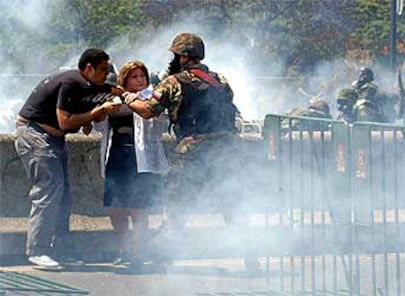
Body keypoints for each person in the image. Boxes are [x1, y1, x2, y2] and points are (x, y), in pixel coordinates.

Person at [111, 33, 257, 272]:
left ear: (183, 56)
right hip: (227, 149)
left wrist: (125, 96)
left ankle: (164, 259)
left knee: (179, 206)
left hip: (192, 150)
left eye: (176, 55)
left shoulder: (173, 82)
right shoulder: (220, 79)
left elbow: (148, 111)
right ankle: (252, 259)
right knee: (232, 207)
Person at [14, 48, 121, 269]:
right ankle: (37, 250)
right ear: (88, 68)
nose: (104, 74)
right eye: (101, 69)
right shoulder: (71, 82)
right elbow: (65, 121)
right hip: (35, 135)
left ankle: (61, 250)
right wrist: (95, 112)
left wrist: (97, 111)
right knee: (48, 191)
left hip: (54, 140)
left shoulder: (89, 85)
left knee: (63, 197)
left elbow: (85, 118)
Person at [98, 61, 169, 267]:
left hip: (143, 161)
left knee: (139, 209)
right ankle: (123, 249)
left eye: (142, 77)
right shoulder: (114, 100)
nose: (140, 80)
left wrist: (131, 98)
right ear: (125, 81)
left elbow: (155, 115)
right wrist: (103, 109)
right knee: (115, 208)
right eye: (134, 77)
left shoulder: (152, 97)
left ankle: (138, 253)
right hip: (118, 158)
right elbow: (99, 127)